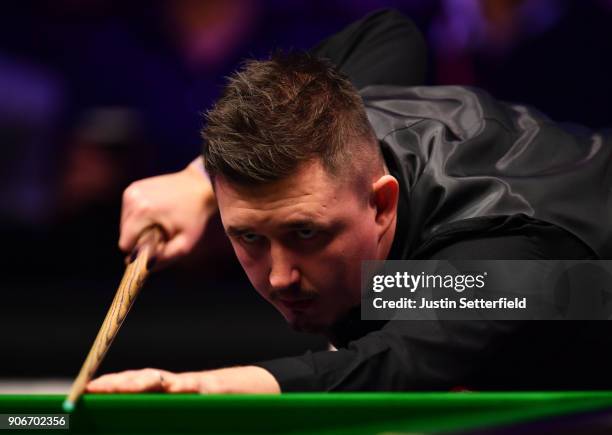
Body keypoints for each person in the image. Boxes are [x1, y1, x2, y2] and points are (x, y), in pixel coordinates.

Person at [87, 9, 612, 394]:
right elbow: (390, 31)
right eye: (249, 237)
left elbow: (400, 362)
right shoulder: (342, 116)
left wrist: (214, 389)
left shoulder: (500, 241)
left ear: (382, 203)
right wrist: (197, 180)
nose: (279, 277)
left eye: (306, 234)